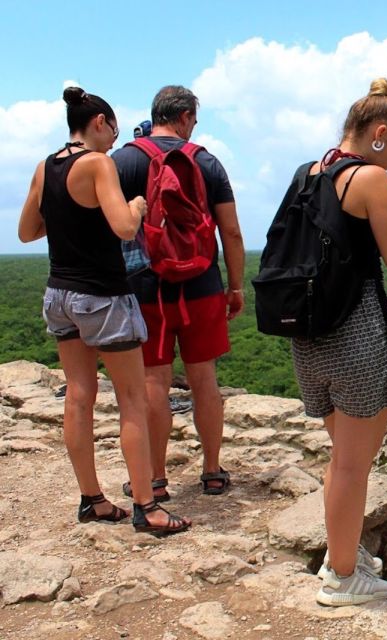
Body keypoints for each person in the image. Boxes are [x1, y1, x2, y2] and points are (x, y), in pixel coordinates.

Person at [18, 87, 190, 536]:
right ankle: (146, 506)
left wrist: (69, 220)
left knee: (79, 394)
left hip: (60, 293)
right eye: (113, 129)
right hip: (104, 295)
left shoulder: (45, 166)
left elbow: (26, 231)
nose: (114, 139)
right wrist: (135, 205)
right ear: (98, 123)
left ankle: (92, 499)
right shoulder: (97, 163)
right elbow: (125, 227)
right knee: (132, 399)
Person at [303, 78, 387, 606]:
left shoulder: (311, 172)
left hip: (309, 334)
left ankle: (343, 551)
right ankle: (343, 576)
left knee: (341, 458)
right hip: (357, 334)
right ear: (379, 134)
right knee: (353, 464)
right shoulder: (371, 180)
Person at [113, 85, 245, 501]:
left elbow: (107, 228)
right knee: (204, 377)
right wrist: (235, 285)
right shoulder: (206, 162)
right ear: (186, 116)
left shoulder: (125, 160)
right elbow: (233, 232)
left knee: (153, 379)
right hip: (202, 284)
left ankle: (154, 477)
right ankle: (211, 471)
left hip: (144, 285)